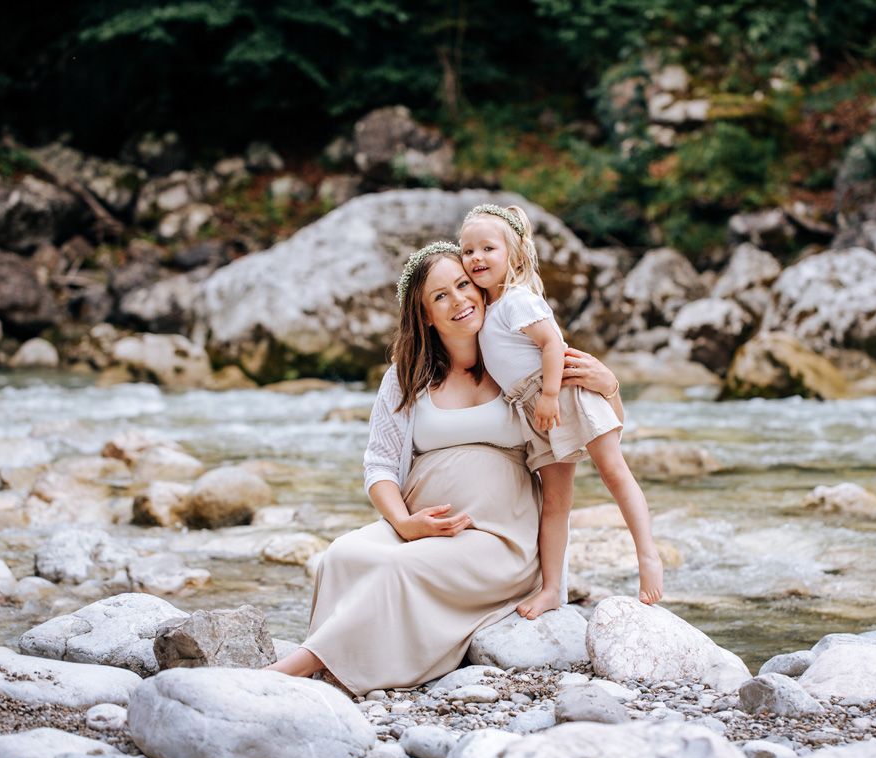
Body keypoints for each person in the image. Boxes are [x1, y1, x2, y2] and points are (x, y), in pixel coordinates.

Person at [266, 241, 623, 695]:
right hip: (420, 523)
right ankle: (345, 664)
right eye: (440, 296)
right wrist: (404, 523)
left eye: (463, 284)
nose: (458, 300)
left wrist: (609, 387)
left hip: (498, 538)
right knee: (342, 555)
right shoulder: (407, 372)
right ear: (425, 316)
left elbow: (590, 436)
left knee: (400, 571)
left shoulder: (527, 364)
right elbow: (378, 465)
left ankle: (291, 671)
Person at [460, 204, 663, 620]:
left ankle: (648, 557)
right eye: (467, 251)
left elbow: (553, 344)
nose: (476, 258)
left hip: (563, 395)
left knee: (614, 472)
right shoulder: (489, 308)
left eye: (487, 249)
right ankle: (553, 588)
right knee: (555, 503)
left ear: (514, 255)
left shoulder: (518, 300)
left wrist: (551, 394)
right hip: (534, 409)